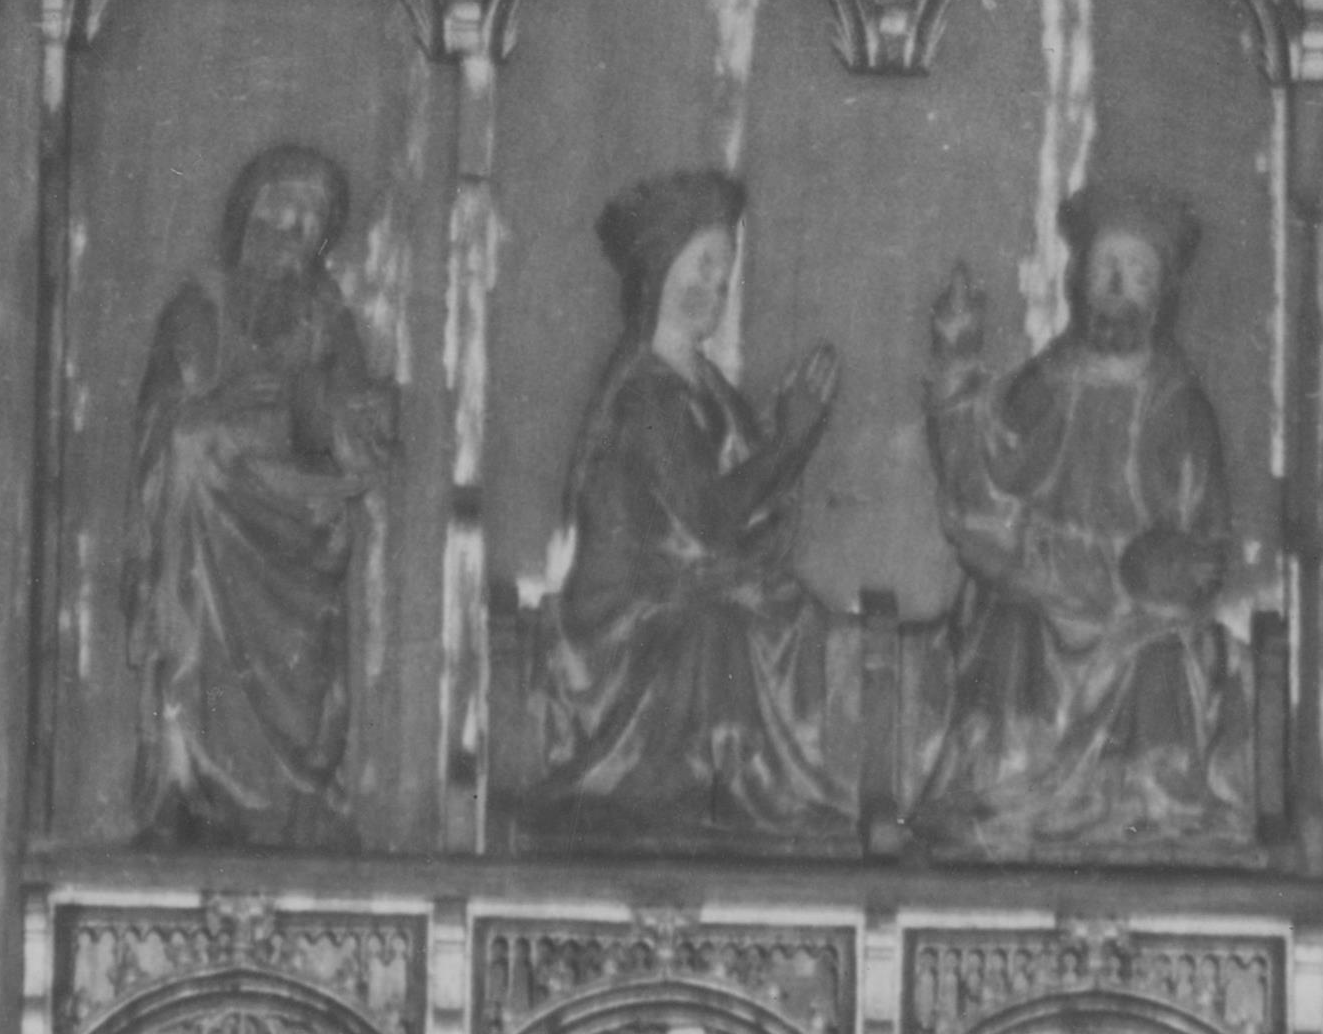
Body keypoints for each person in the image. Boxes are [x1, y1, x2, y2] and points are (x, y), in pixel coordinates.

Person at [914, 185, 1250, 855]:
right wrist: (956, 369)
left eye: (1138, 272)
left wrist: (1166, 570)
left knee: (1160, 656)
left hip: (1136, 615)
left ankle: (1148, 817)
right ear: (1079, 281)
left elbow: (1207, 546)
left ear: (1162, 293)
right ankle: (1000, 806)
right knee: (1012, 626)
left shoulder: (1182, 409)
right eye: (1106, 268)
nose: (1119, 287)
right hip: (1040, 591)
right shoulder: (1048, 384)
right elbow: (980, 488)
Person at [528, 171, 839, 840]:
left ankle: (767, 796)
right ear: (660, 269)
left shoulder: (703, 383)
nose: (718, 288)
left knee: (787, 612)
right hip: (630, 622)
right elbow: (707, 517)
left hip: (683, 590)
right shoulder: (647, 392)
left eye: (725, 272)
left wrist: (787, 445)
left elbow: (745, 503)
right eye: (703, 266)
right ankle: (713, 794)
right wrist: (790, 441)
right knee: (721, 630)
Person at [125, 143, 399, 842]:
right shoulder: (200, 308)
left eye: (310, 224)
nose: (292, 235)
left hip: (296, 536)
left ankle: (296, 798)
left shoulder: (326, 318)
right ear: (248, 215)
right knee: (194, 456)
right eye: (280, 215)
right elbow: (167, 425)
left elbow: (348, 423)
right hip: (208, 527)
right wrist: (215, 426)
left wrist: (346, 418)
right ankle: (189, 780)